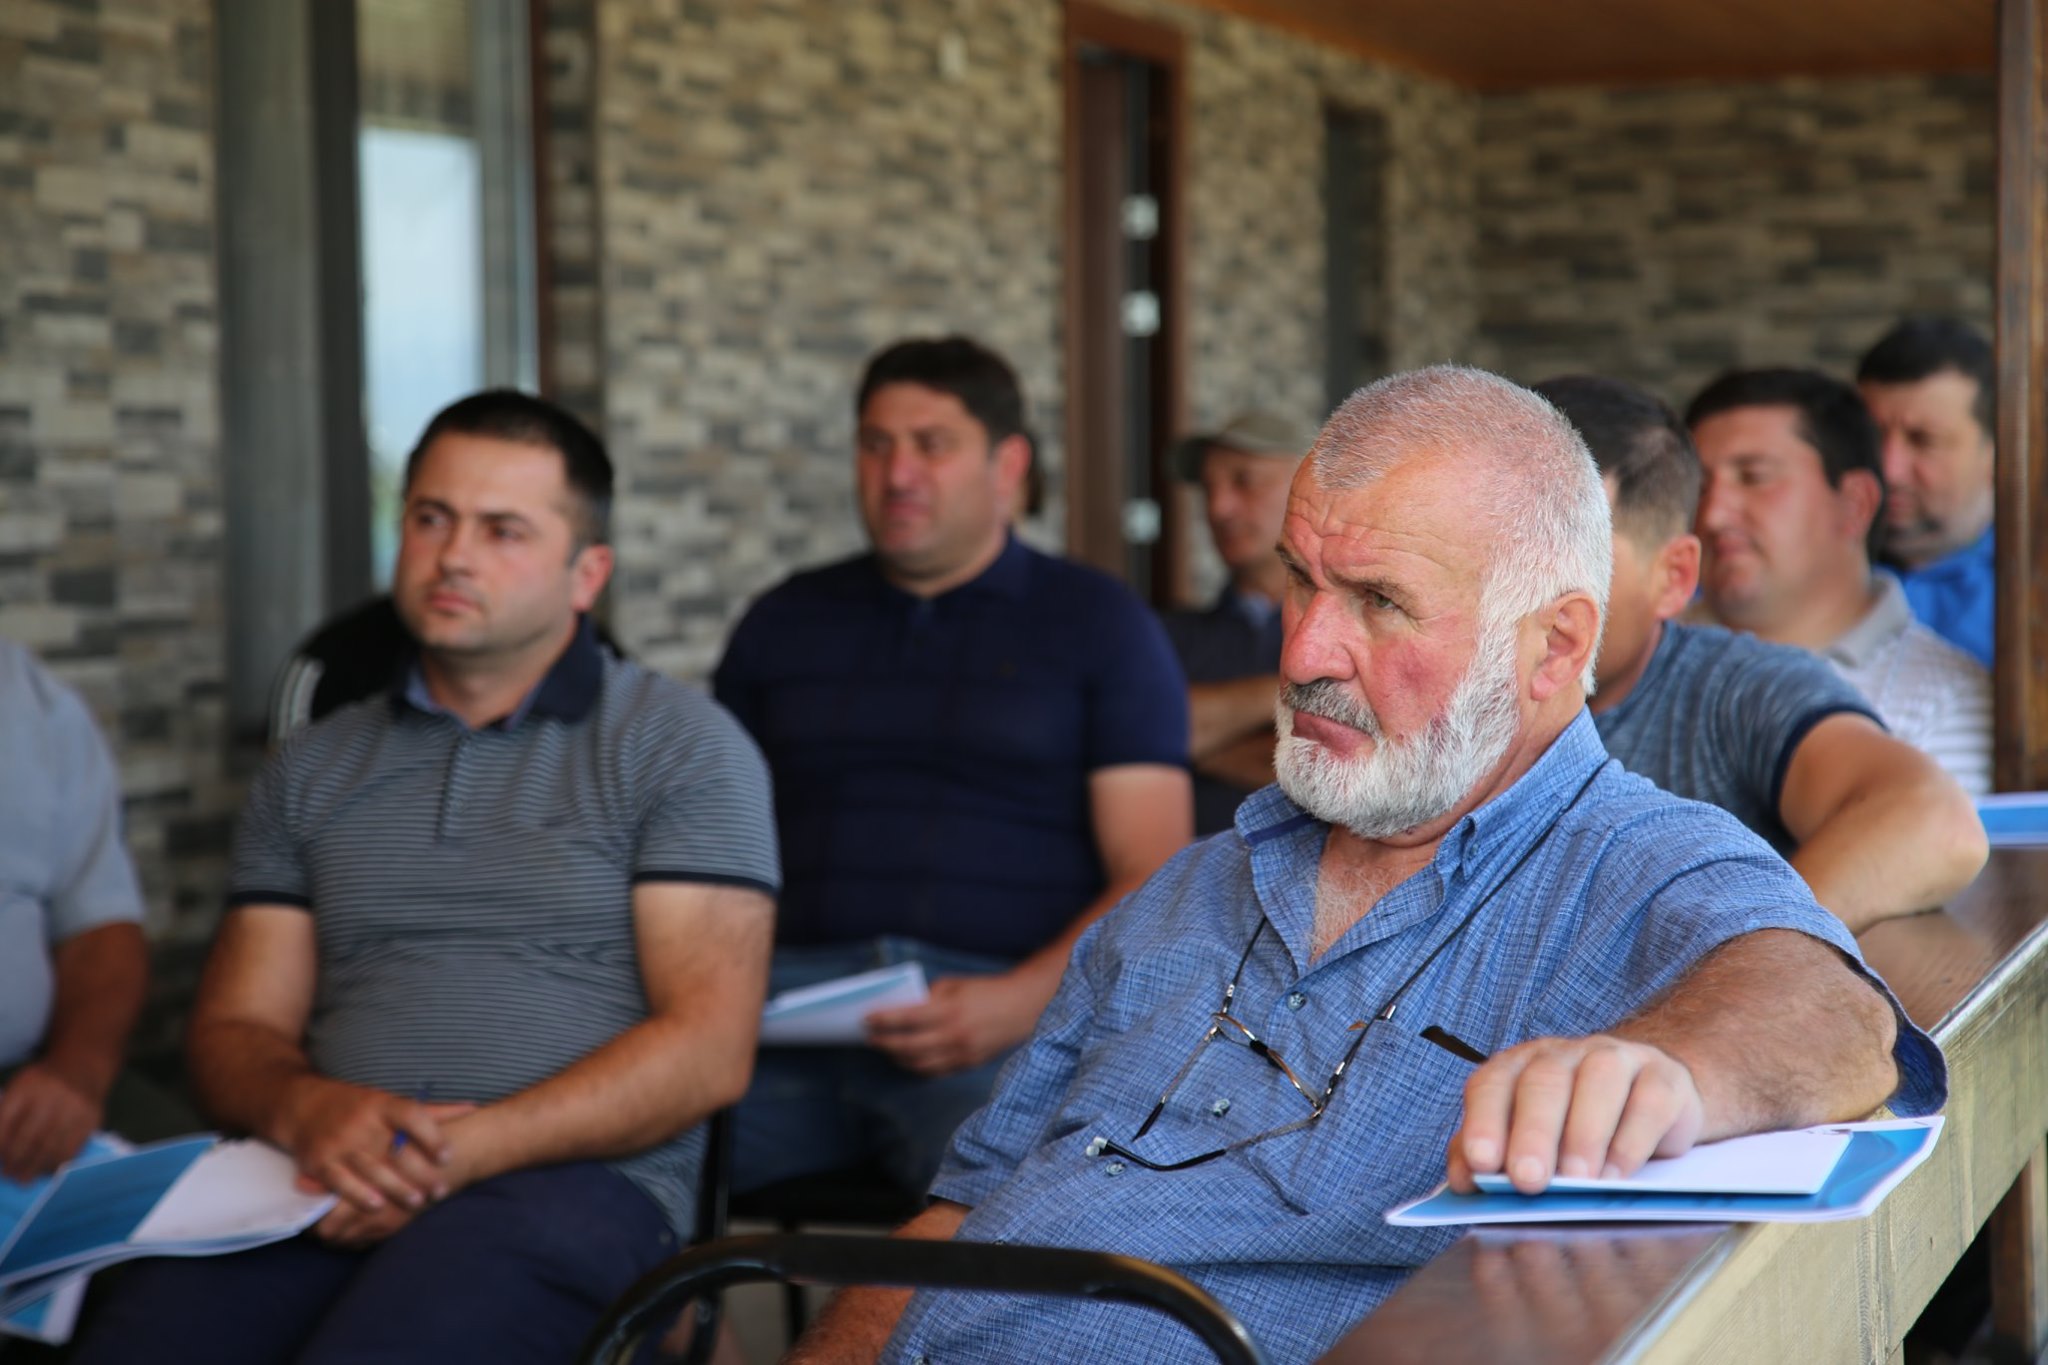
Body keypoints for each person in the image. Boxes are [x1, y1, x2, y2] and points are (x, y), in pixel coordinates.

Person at [788, 366, 1945, 1365]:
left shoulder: (1630, 861)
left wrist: (1661, 1069)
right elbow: (955, 1223)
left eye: (1380, 602)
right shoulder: (1184, 890)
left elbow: (1834, 1019)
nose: (1304, 651)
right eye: (1299, 580)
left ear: (1551, 648)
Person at [74, 391, 779, 1365]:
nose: (453, 556)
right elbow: (235, 1030)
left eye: (503, 530)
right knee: (145, 1342)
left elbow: (707, 1050)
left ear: (587, 574)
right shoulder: (311, 767)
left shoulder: (680, 748)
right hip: (321, 1171)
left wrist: (447, 1156)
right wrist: (308, 1110)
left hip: (574, 1182)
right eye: (431, 518)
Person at [714, 336, 1192, 1197]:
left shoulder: (1098, 624)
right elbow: (709, 850)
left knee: (1007, 1209)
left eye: (931, 445)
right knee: (627, 1163)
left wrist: (1017, 1003)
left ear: (1008, 465)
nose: (897, 473)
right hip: (787, 1014)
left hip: (1003, 1019)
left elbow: (1154, 869)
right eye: (876, 444)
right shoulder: (782, 622)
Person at [1536, 376, 1986, 933]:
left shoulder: (1734, 686)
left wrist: (1743, 959)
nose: (1714, 515)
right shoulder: (1452, 674)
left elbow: (1930, 817)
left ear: (1673, 575)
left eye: (1569, 562)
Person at [1685, 368, 1993, 797]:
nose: (1713, 515)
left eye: (1754, 477)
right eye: (1700, 487)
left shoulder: (1945, 700)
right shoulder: (1638, 653)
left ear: (1854, 504)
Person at [0, 640, 162, 1181]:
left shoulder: (28, 693)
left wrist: (77, 1073)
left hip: (27, 1083)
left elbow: (99, 929)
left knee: (208, 1198)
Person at [1161, 412, 1312, 835]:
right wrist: (1290, 690)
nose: (1218, 508)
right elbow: (1142, 732)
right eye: (1208, 490)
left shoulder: (1361, 626)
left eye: (1244, 481)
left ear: (1311, 485)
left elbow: (1374, 773)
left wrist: (1204, 744)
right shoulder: (1167, 635)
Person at [1857, 317, 1996, 667]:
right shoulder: (1805, 564)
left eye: (1924, 441)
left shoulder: (2029, 585)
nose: (1889, 469)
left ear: (1996, 454)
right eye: (1872, 437)